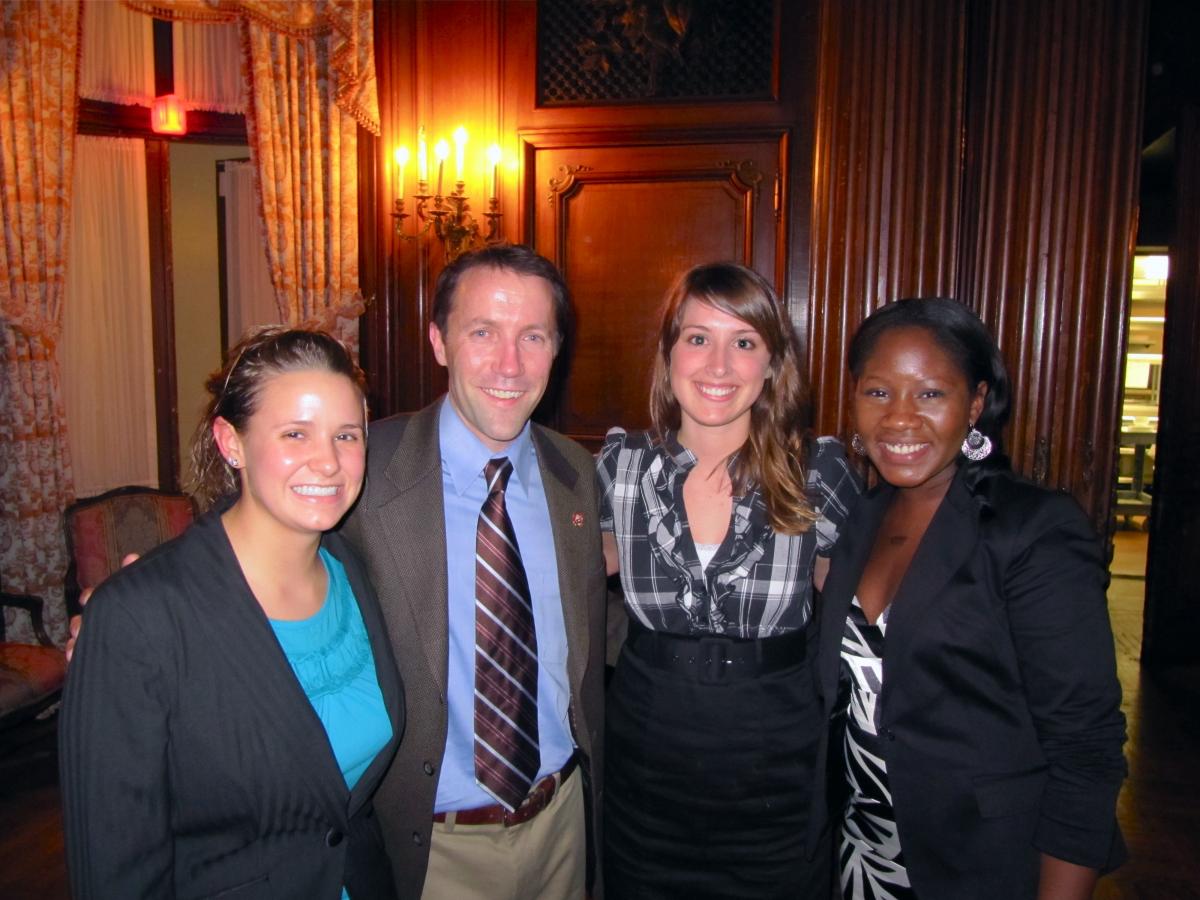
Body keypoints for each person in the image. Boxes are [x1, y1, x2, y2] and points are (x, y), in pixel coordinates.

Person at [60, 328, 405, 899]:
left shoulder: (355, 569)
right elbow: (114, 871)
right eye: (295, 433)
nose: (328, 461)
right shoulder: (139, 616)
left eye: (346, 435)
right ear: (231, 442)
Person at [814, 297, 1127, 899]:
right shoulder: (860, 517)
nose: (899, 419)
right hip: (862, 855)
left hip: (983, 865)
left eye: (930, 394)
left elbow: (1085, 747)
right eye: (878, 393)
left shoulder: (1032, 529)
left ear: (976, 403)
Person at [340, 244, 607, 899]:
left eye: (533, 336)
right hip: (430, 847)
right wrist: (159, 601)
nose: (509, 364)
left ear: (556, 350)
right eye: (483, 332)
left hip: (563, 829)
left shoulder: (578, 476)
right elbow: (264, 546)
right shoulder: (362, 468)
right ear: (439, 341)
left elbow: (608, 627)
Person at [597, 262, 861, 898]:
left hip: (776, 763)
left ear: (772, 364)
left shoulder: (817, 470)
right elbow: (554, 586)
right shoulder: (621, 469)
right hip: (646, 762)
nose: (718, 365)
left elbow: (865, 613)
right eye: (696, 338)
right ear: (668, 355)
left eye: (744, 342)